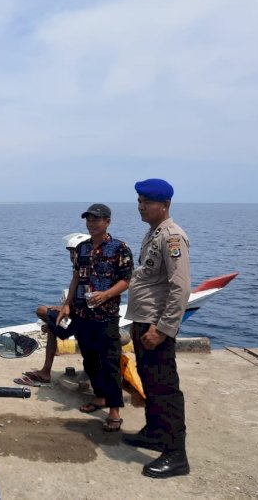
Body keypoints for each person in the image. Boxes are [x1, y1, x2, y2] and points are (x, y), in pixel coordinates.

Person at [122, 179, 191, 478]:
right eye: (139, 200)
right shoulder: (153, 234)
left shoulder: (173, 237)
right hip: (142, 320)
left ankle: (176, 454)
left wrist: (162, 329)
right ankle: (154, 431)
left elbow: (180, 287)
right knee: (149, 382)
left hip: (155, 326)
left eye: (146, 202)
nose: (140, 206)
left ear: (164, 205)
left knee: (164, 388)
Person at [56, 204, 133, 433]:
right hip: (82, 313)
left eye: (96, 219)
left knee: (110, 362)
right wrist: (67, 304)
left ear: (107, 221)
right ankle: (99, 397)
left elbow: (126, 280)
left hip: (106, 315)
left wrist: (106, 295)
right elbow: (76, 278)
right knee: (89, 359)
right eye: (88, 219)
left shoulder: (120, 248)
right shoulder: (82, 248)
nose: (91, 223)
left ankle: (114, 411)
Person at [18, 232, 90, 386]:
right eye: (71, 252)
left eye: (76, 251)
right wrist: (63, 308)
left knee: (43, 311)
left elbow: (86, 301)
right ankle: (45, 371)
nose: (73, 255)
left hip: (85, 319)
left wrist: (63, 309)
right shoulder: (79, 269)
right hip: (78, 316)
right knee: (50, 322)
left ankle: (46, 371)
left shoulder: (88, 271)